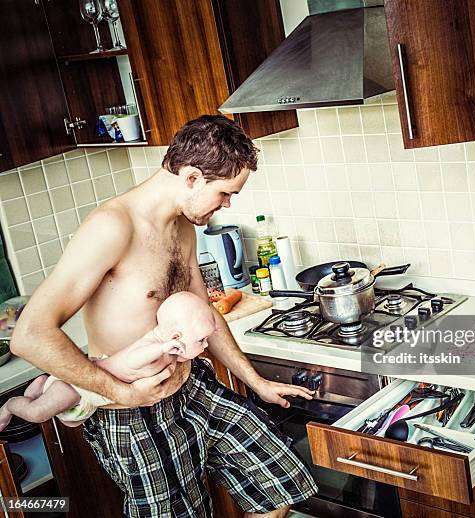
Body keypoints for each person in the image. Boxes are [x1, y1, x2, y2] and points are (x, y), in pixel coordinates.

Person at [11, 115, 318, 517]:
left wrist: (255, 380)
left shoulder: (182, 227)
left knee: (275, 483)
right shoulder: (112, 227)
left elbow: (203, 311)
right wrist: (122, 393)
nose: (227, 204)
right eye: (225, 193)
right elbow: (30, 336)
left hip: (190, 391)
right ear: (192, 177)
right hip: (132, 414)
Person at [0, 291, 216, 430]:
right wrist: (162, 348)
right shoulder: (152, 349)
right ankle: (10, 406)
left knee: (70, 419)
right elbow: (133, 359)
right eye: (201, 340)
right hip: (75, 388)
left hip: (91, 402)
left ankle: (39, 387)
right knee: (38, 413)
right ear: (175, 338)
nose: (206, 345)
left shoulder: (169, 348)